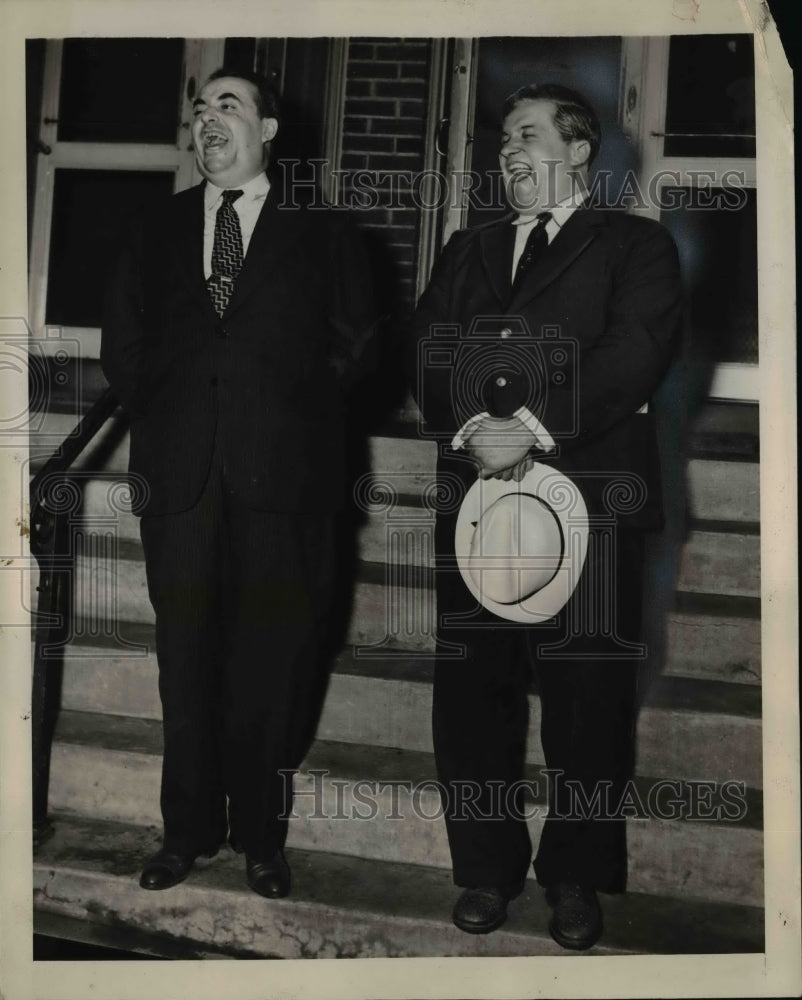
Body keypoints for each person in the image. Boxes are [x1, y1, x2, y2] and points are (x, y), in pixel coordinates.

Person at [409, 83, 682, 950]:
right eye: (500, 139)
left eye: (524, 133)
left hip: (591, 506)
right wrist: (474, 430)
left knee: (587, 704)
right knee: (472, 699)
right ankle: (485, 869)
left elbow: (632, 353)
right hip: (478, 508)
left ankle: (577, 878)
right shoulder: (470, 247)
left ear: (577, 149)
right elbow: (428, 352)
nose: (506, 150)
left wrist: (525, 424)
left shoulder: (637, 245)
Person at [101, 68, 377, 899]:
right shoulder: (156, 226)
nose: (206, 116)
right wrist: (167, 407)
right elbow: (125, 342)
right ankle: (185, 832)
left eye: (228, 104)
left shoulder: (325, 234)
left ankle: (261, 837)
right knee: (183, 661)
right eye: (199, 106)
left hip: (283, 479)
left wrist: (288, 412)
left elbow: (361, 351)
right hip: (181, 475)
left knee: (271, 661)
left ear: (267, 131)